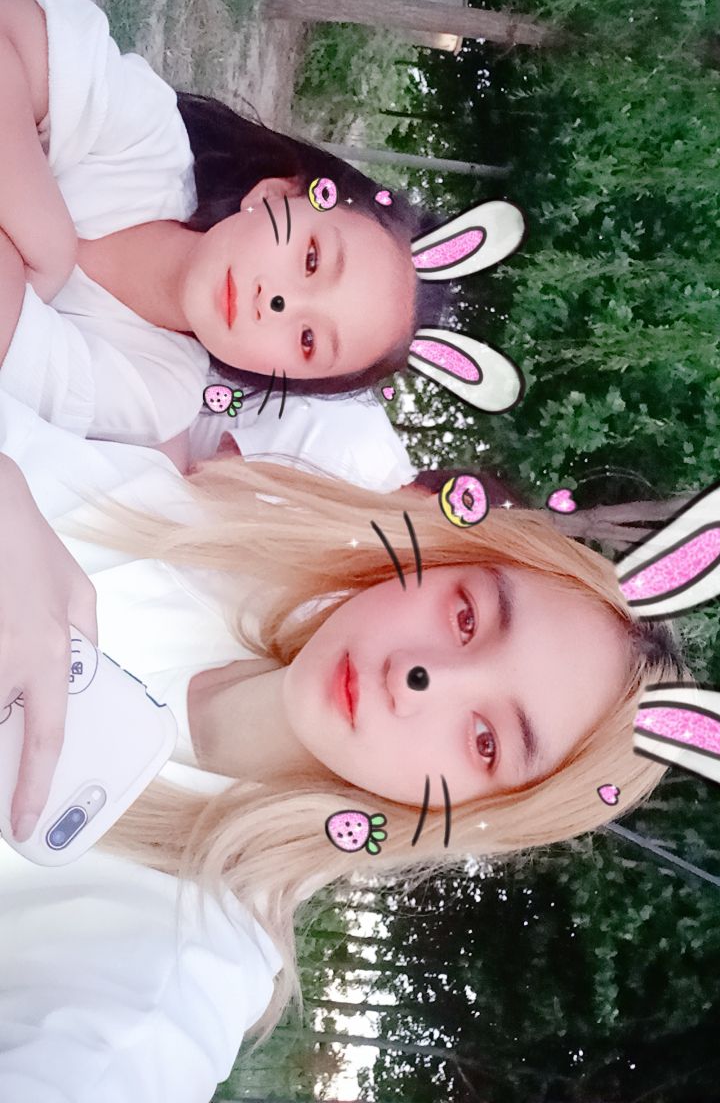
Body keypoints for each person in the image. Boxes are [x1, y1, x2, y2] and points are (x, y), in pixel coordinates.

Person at [0, 390, 687, 1099]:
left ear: (479, 811)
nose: (421, 677)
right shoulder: (170, 525)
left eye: (486, 739)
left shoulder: (179, 958)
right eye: (466, 616)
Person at [0, 0, 443, 455]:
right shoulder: (147, 136)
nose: (277, 303)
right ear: (273, 196)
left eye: (307, 339)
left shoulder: (160, 390)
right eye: (311, 259)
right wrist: (48, 248)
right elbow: (11, 22)